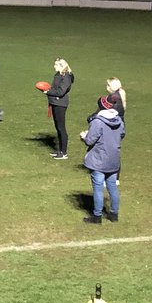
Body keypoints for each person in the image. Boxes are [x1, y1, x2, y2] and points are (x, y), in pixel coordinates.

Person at [80, 95, 125, 224]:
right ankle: (114, 214)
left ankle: (97, 216)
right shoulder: (119, 121)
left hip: (99, 160)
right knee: (112, 187)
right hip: (114, 159)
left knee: (98, 188)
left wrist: (84, 136)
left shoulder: (97, 122)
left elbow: (90, 140)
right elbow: (121, 134)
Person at [45, 58, 74, 160]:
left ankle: (64, 152)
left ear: (62, 66)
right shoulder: (59, 75)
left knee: (61, 128)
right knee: (58, 127)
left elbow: (60, 92)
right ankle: (60, 150)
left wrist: (47, 91)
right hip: (55, 103)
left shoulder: (66, 77)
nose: (54, 66)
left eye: (56, 65)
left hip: (60, 104)